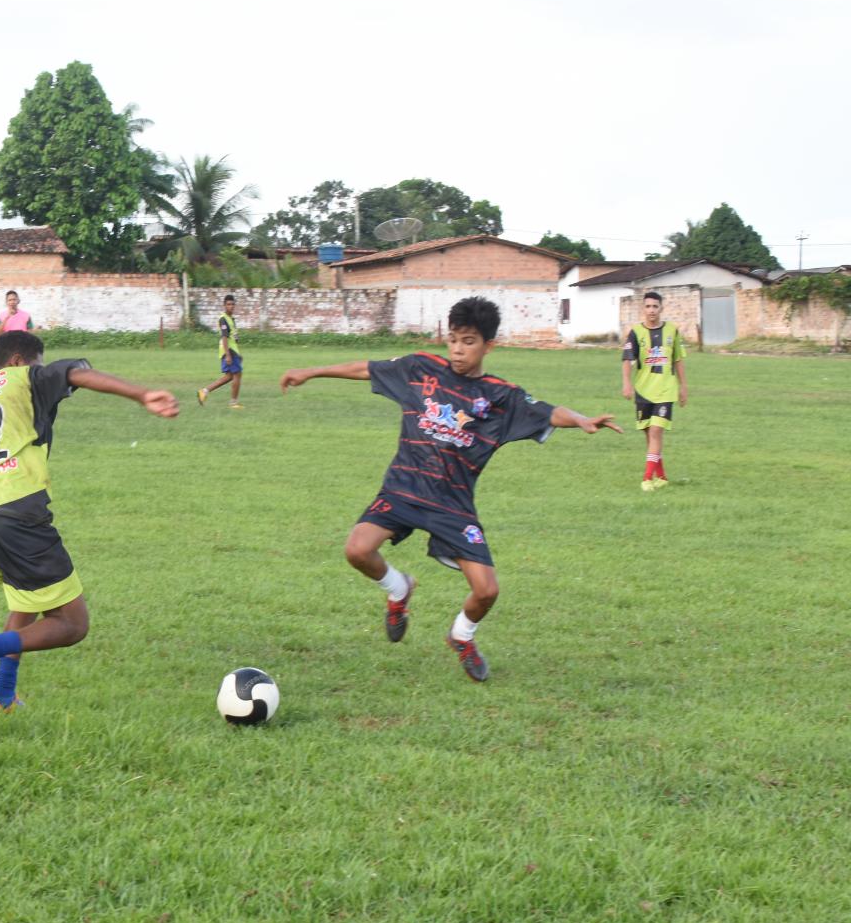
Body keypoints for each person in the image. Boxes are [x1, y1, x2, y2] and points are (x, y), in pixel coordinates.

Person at [279, 296, 619, 682]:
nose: (458, 348)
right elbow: (365, 368)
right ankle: (398, 588)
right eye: (454, 339)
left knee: (487, 591)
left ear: (489, 345)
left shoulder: (499, 396)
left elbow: (547, 411)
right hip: (403, 488)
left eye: (469, 341)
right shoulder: (420, 368)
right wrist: (311, 370)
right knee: (357, 549)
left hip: (452, 506)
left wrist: (582, 420)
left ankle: (462, 636)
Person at [0, 329, 179, 714]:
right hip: (15, 511)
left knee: (26, 597)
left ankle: (2, 694)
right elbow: (74, 373)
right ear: (20, 361)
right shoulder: (24, 376)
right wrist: (141, 394)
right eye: (38, 363)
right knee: (72, 624)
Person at [620, 291, 689, 491]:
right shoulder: (635, 332)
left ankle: (647, 478)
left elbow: (678, 360)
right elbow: (627, 359)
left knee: (657, 431)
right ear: (643, 309)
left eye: (655, 306)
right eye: (648, 306)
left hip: (666, 390)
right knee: (649, 436)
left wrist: (683, 387)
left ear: (661, 308)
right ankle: (662, 476)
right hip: (643, 390)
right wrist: (626, 383)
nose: (651, 310)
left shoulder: (672, 331)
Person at [196, 293, 244, 409]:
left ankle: (204, 391)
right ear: (224, 305)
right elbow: (224, 337)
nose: (231, 306)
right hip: (229, 351)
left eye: (232, 304)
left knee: (229, 376)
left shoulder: (231, 319)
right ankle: (233, 403)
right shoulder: (223, 319)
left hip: (233, 351)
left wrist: (239, 353)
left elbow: (233, 337)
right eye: (228, 304)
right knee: (237, 375)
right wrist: (228, 355)